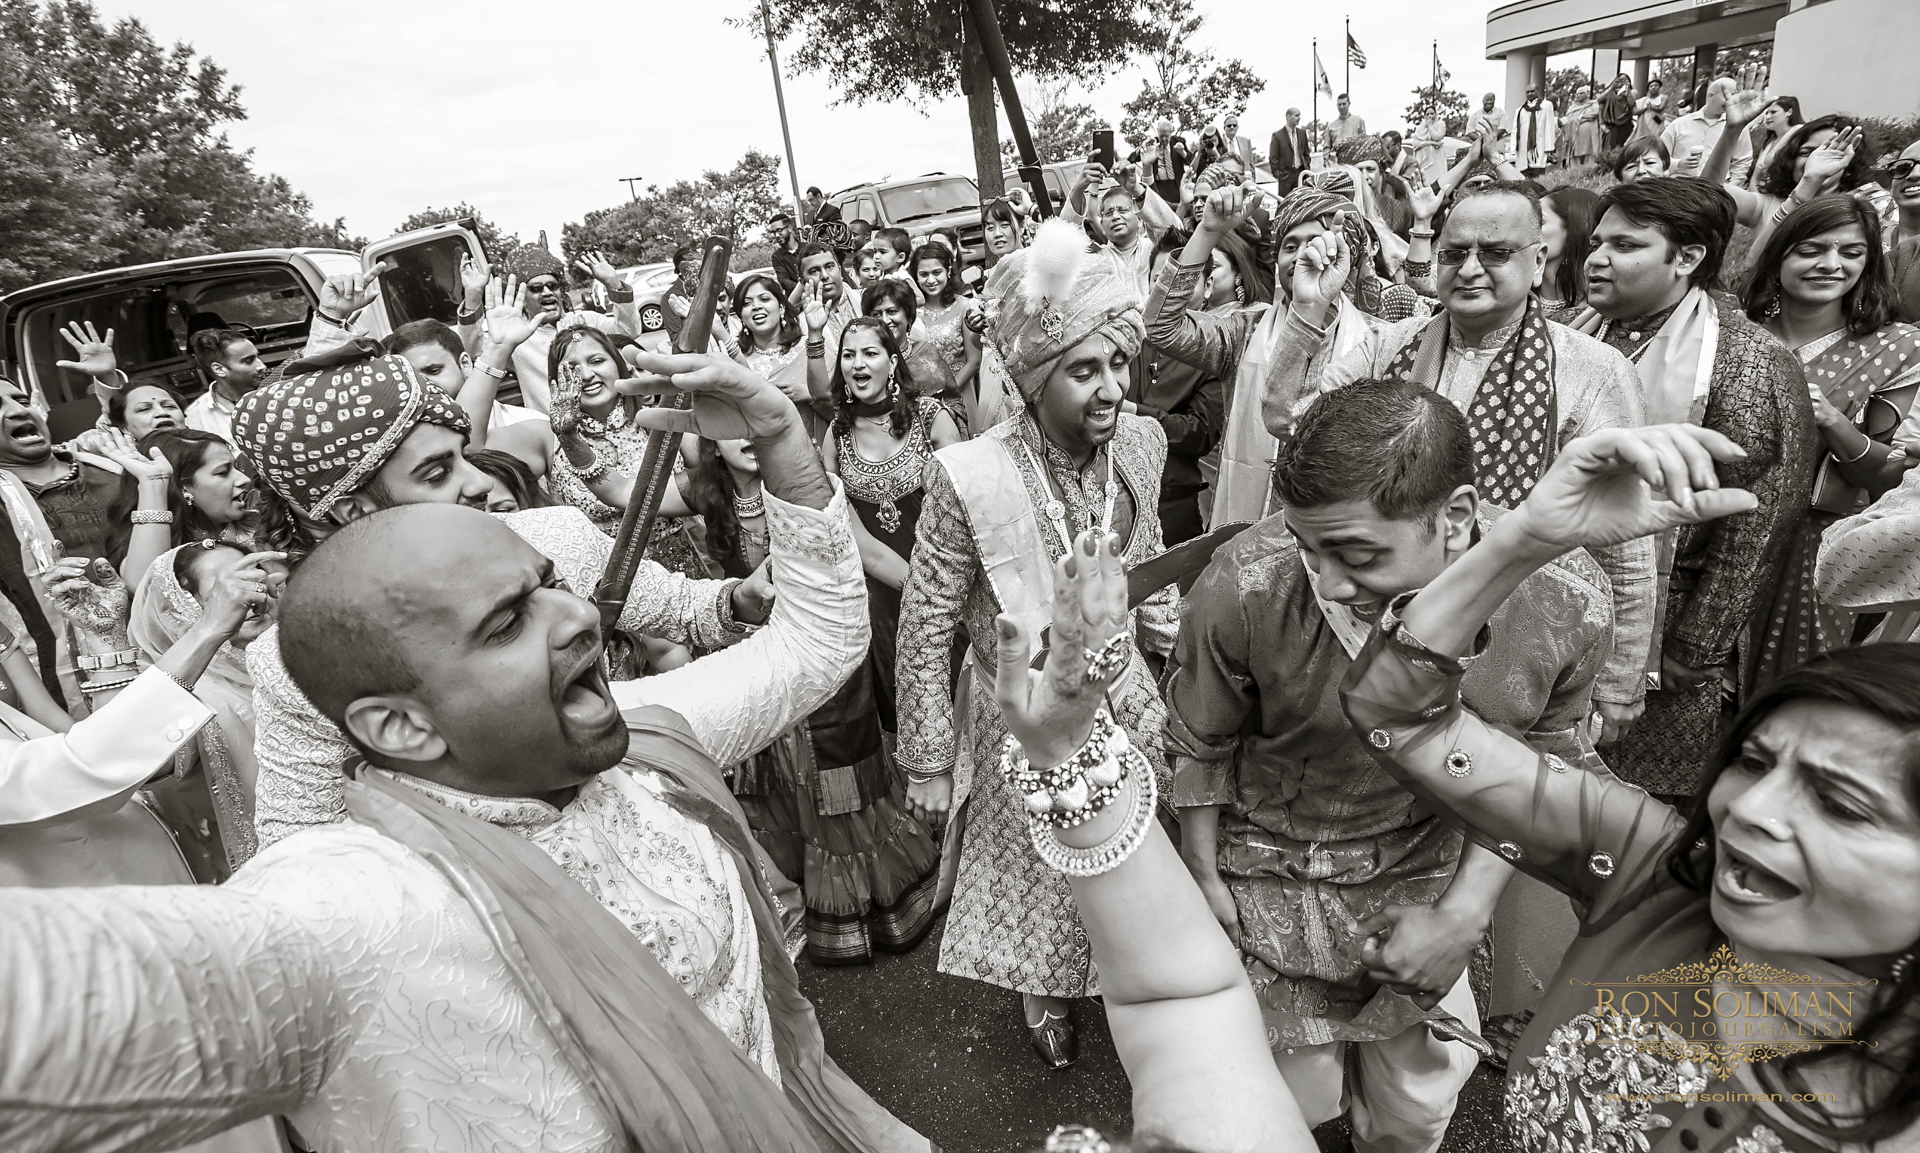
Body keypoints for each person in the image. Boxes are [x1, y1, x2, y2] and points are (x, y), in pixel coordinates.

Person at [0, 351, 935, 1152]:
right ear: (391, 725)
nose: (580, 613)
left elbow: (811, 644)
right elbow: (86, 1000)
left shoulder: (646, 745)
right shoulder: (369, 915)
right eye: (504, 621)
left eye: (545, 587)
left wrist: (778, 433)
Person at [1339, 420, 1920, 1153]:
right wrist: (1524, 539)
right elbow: (1398, 714)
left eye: (1839, 803)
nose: (1748, 812)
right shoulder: (1662, 873)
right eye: (1753, 763)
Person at [1167, 379, 1613, 1152]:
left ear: (1459, 516)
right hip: (1264, 877)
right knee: (1271, 1106)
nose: (1331, 582)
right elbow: (1200, 737)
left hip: (1426, 877)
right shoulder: (1247, 580)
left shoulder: (1563, 602)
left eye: (1360, 553)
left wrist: (1462, 917)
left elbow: (1540, 774)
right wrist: (1203, 880)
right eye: (1311, 549)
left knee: (1414, 1104)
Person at [233, 349, 769, 850]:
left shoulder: (553, 538)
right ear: (351, 512)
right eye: (438, 473)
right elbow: (301, 839)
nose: (479, 483)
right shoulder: (296, 663)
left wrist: (745, 596)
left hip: (639, 821)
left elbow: (695, 612)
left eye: (464, 456)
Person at [896, 217, 1180, 1068]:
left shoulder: (1141, 442)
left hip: (1129, 692)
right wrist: (926, 758)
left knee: (1139, 860)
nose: (1110, 389)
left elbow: (1149, 555)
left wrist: (1173, 649)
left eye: (1119, 363)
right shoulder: (968, 475)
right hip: (1021, 710)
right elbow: (926, 617)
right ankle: (1047, 991)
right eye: (1084, 369)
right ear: (1028, 379)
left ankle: (1147, 992)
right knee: (1045, 874)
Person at [1260, 181, 1655, 742]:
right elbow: (1288, 422)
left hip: (1517, 634)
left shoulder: (1591, 370)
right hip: (1375, 618)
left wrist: (1618, 683)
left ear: (1538, 261)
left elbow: (1625, 545)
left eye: (1494, 253)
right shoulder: (1387, 345)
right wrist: (1307, 308)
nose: (1470, 269)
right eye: (1453, 253)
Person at [1580, 177, 1819, 799]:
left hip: (1672, 627)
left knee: (1640, 817)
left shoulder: (1749, 360)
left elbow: (1758, 521)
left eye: (1625, 245)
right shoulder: (1579, 333)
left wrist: (1696, 644)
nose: (1597, 258)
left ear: (1686, 259)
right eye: (1596, 241)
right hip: (1566, 608)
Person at [688, 422, 944, 966]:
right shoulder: (706, 495)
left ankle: (877, 908)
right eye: (733, 424)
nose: (749, 437)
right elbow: (620, 494)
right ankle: (803, 900)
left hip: (827, 670)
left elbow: (873, 556)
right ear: (712, 439)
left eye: (755, 422)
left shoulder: (814, 493)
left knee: (843, 785)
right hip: (762, 672)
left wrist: (941, 594)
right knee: (784, 783)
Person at [1738, 194, 1920, 686]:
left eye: (1851, 253)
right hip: (1713, 533)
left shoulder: (1896, 347)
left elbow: (1885, 477)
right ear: (1779, 257)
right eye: (1812, 249)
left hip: (1811, 549)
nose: (1831, 265)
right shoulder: (1732, 331)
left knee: (1789, 695)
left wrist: (1831, 420)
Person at [126, 540, 280, 879]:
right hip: (277, 876)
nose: (253, 599)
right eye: (228, 589)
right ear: (182, 608)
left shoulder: (301, 656)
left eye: (257, 581)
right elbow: (138, 764)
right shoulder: (191, 699)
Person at [1128, 228, 1264, 543]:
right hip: (1121, 489)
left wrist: (1136, 413)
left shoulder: (1219, 346)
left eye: (1181, 282)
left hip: (1175, 497)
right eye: (1160, 279)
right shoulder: (1130, 339)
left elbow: (1199, 432)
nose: (1169, 289)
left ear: (1206, 287)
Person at [468, 242, 637, 414]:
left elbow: (628, 331)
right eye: (536, 288)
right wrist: (472, 300)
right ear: (523, 299)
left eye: (552, 285)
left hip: (610, 428)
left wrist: (614, 284)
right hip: (554, 436)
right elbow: (473, 350)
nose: (547, 292)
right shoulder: (517, 338)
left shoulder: (587, 320)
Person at [1704, 104, 1897, 254]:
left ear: (1850, 162)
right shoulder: (1766, 204)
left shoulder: (1871, 205)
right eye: (1806, 152)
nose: (1816, 159)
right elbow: (1705, 192)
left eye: (1832, 151)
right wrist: (1732, 130)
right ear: (1791, 157)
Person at [136, 428, 255, 548]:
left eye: (236, 467)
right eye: (223, 472)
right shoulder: (153, 551)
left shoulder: (264, 528)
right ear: (182, 488)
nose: (245, 479)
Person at [1662, 76, 1750, 182]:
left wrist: (1731, 188)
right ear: (1711, 95)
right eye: (1728, 95)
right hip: (1680, 190)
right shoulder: (1679, 125)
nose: (1732, 101)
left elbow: (1743, 161)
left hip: (1717, 191)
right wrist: (1679, 164)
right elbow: (1658, 157)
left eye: (1736, 97)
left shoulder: (1737, 127)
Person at [184, 329, 265, 444]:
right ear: (219, 369)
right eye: (248, 361)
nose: (262, 366)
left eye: (257, 357)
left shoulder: (281, 394)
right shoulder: (196, 417)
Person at [1539, 186, 1601, 323]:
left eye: (1539, 221)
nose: (1524, 230)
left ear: (1575, 230)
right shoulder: (1514, 298)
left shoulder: (1600, 310)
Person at [1747, 95, 1804, 186]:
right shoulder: (1771, 140)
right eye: (1766, 113)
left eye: (1773, 112)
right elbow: (1755, 176)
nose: (1768, 117)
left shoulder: (1799, 132)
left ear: (1789, 112)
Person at [1138, 117, 1189, 206]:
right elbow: (1133, 158)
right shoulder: (1151, 144)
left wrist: (1182, 152)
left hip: (1175, 186)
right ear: (1157, 132)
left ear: (1171, 132)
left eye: (1167, 136)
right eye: (1161, 136)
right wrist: (1140, 149)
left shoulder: (1179, 141)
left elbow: (1190, 161)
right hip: (1158, 186)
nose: (1164, 139)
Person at [1511, 85, 1558, 176]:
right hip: (1523, 149)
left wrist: (1549, 149)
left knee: (1538, 175)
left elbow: (1549, 128)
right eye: (1527, 92)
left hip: (1540, 147)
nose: (1530, 94)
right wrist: (1513, 149)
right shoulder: (1520, 110)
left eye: (1532, 91)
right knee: (1523, 177)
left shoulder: (1546, 106)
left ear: (1538, 91)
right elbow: (1515, 130)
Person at [1270, 107, 1312, 196]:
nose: (1299, 118)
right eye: (1296, 115)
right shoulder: (1277, 136)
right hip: (1285, 176)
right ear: (1288, 117)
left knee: (1301, 201)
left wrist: (1307, 167)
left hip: (1300, 174)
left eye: (1299, 115)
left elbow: (1306, 153)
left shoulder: (1302, 133)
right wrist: (1277, 174)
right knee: (1285, 203)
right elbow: (1273, 158)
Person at [1565, 85, 1603, 166]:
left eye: (1581, 93)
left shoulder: (1593, 103)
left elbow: (1594, 114)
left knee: (1589, 155)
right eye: (1577, 94)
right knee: (1575, 155)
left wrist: (1579, 118)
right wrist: (1584, 118)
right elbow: (1569, 119)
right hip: (1575, 136)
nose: (1579, 95)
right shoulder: (1572, 107)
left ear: (1587, 94)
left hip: (1589, 136)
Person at [769, 211, 804, 297]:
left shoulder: (807, 249)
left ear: (789, 228)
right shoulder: (777, 257)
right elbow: (784, 281)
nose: (777, 235)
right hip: (796, 301)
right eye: (774, 232)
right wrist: (803, 288)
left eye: (779, 230)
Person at [1599, 73, 1636, 152]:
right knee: (1609, 149)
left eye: (1625, 80)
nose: (1622, 82)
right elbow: (1598, 100)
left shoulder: (1632, 92)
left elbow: (1631, 104)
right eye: (1620, 80)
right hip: (1611, 126)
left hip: (1625, 125)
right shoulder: (1610, 93)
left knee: (1623, 149)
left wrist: (1627, 90)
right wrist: (1611, 87)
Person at [1630, 76, 1670, 144]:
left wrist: (1651, 107)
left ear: (1659, 87)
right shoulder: (1643, 100)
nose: (1653, 87)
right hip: (1644, 123)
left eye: (1656, 85)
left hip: (1657, 122)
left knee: (1655, 141)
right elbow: (1634, 112)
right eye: (1651, 86)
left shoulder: (1663, 97)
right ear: (1648, 89)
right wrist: (1645, 108)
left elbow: (1660, 109)